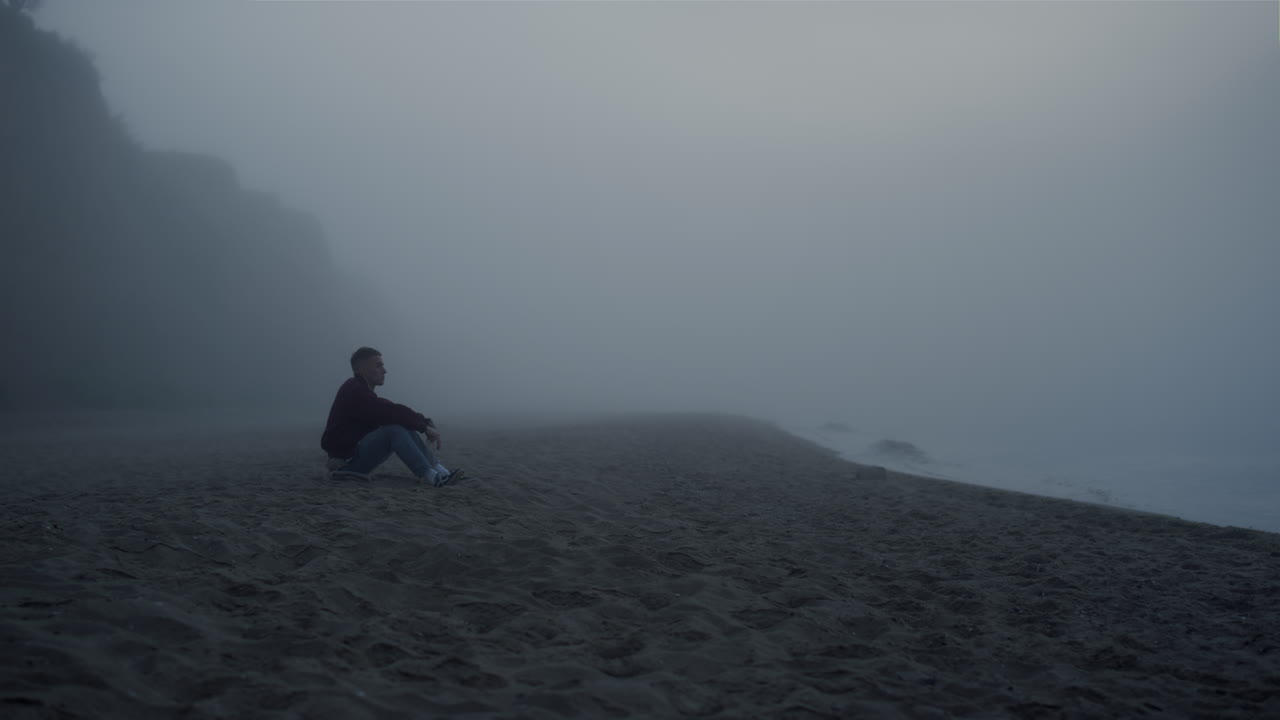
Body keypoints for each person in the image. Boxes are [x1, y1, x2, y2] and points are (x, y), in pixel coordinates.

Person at [321, 346, 464, 486]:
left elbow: (392, 409)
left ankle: (442, 472)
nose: (384, 371)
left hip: (355, 459)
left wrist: (425, 422)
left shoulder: (362, 393)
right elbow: (389, 410)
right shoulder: (354, 390)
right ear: (361, 369)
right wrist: (424, 428)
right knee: (393, 430)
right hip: (345, 465)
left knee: (401, 424)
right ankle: (430, 476)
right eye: (378, 366)